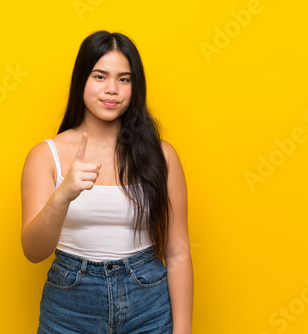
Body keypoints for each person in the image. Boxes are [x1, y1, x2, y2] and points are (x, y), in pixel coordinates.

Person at [20, 30, 193, 333]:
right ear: (81, 81)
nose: (112, 89)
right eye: (100, 77)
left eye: (123, 79)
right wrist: (63, 195)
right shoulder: (46, 156)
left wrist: (183, 330)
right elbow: (34, 252)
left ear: (134, 87)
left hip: (148, 305)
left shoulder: (161, 157)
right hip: (69, 308)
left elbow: (177, 251)